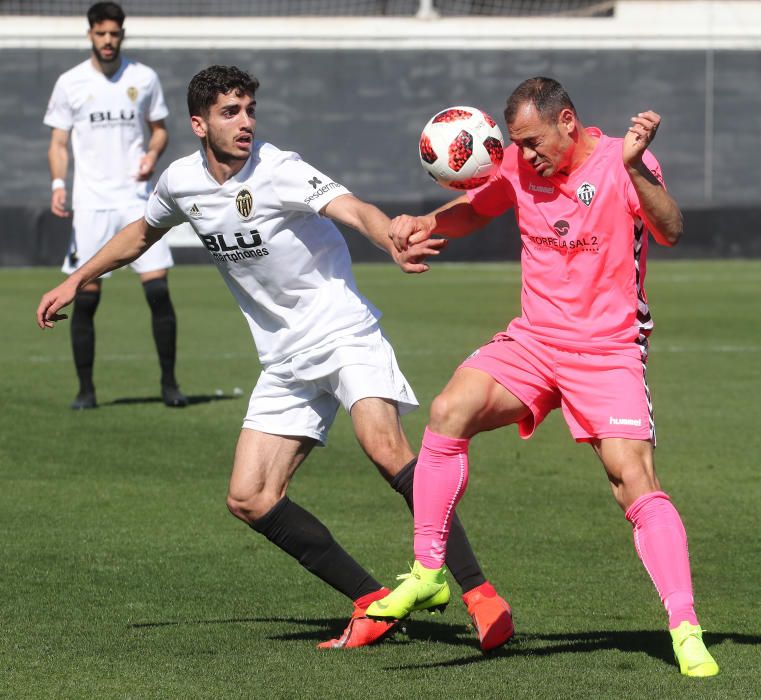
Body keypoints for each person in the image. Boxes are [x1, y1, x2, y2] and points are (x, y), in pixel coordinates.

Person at [36, 65, 514, 651]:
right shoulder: (182, 182)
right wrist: (79, 278)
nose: (245, 122)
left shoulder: (280, 168)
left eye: (249, 110)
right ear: (198, 123)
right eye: (230, 112)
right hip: (284, 360)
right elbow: (141, 232)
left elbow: (351, 207)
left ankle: (479, 594)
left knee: (385, 448)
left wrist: (389, 232)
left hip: (342, 332)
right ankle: (373, 604)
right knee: (250, 496)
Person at [366, 77, 720, 677]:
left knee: (631, 480)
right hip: (534, 341)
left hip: (608, 349)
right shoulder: (516, 166)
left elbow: (671, 229)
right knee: (450, 409)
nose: (523, 157)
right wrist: (423, 223)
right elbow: (476, 210)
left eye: (532, 143)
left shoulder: (624, 160)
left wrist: (635, 170)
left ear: (568, 122)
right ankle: (428, 572)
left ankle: (684, 628)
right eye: (515, 145)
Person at [44, 1, 186, 409]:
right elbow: (57, 143)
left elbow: (159, 130)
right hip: (90, 204)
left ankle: (170, 385)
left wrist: (151, 156)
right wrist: (58, 183)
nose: (109, 41)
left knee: (158, 291)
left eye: (115, 34)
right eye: (102, 34)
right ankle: (86, 391)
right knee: (85, 297)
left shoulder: (144, 78)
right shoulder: (70, 82)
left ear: (123, 34)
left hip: (137, 203)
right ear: (90, 34)